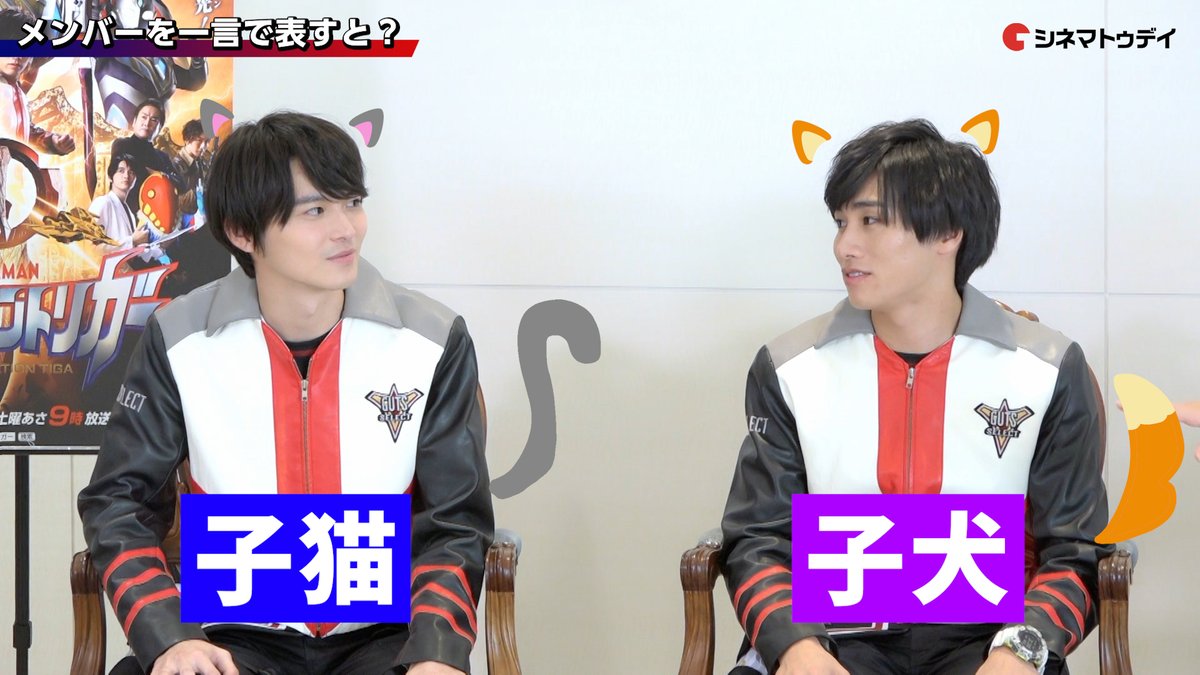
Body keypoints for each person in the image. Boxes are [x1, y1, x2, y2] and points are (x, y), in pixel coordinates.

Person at [78, 111, 494, 675]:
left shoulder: (431, 339)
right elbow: (117, 501)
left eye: (353, 202)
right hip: (232, 638)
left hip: (386, 640)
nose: (347, 229)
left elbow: (456, 523)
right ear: (242, 232)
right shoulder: (178, 339)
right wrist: (169, 637)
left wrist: (437, 652)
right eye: (316, 211)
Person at [720, 120, 1110, 675]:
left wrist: (1022, 650)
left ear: (947, 232)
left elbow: (1077, 552)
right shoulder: (789, 367)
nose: (844, 246)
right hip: (830, 635)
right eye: (841, 222)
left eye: (871, 220)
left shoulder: (1046, 369)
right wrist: (796, 647)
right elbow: (757, 538)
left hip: (990, 640)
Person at [89, 153, 149, 252]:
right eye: (121, 171)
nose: (126, 176)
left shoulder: (129, 211)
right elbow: (92, 246)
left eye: (131, 172)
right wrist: (132, 240)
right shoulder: (102, 202)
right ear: (110, 176)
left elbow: (129, 249)